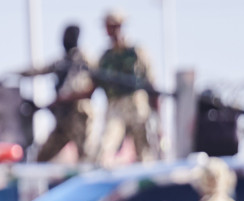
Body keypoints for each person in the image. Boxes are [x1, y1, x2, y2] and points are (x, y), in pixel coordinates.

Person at [21, 24, 95, 163]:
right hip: (62, 120)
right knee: (41, 158)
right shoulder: (63, 61)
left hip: (78, 116)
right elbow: (40, 70)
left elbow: (75, 87)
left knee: (85, 160)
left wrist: (53, 102)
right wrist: (18, 74)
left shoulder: (83, 59)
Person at [94, 9, 156, 166]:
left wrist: (156, 114)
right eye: (109, 27)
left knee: (144, 153)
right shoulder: (105, 57)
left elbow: (151, 83)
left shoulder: (135, 52)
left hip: (136, 105)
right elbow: (94, 84)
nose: (112, 31)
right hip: (115, 107)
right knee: (105, 149)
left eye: (115, 26)